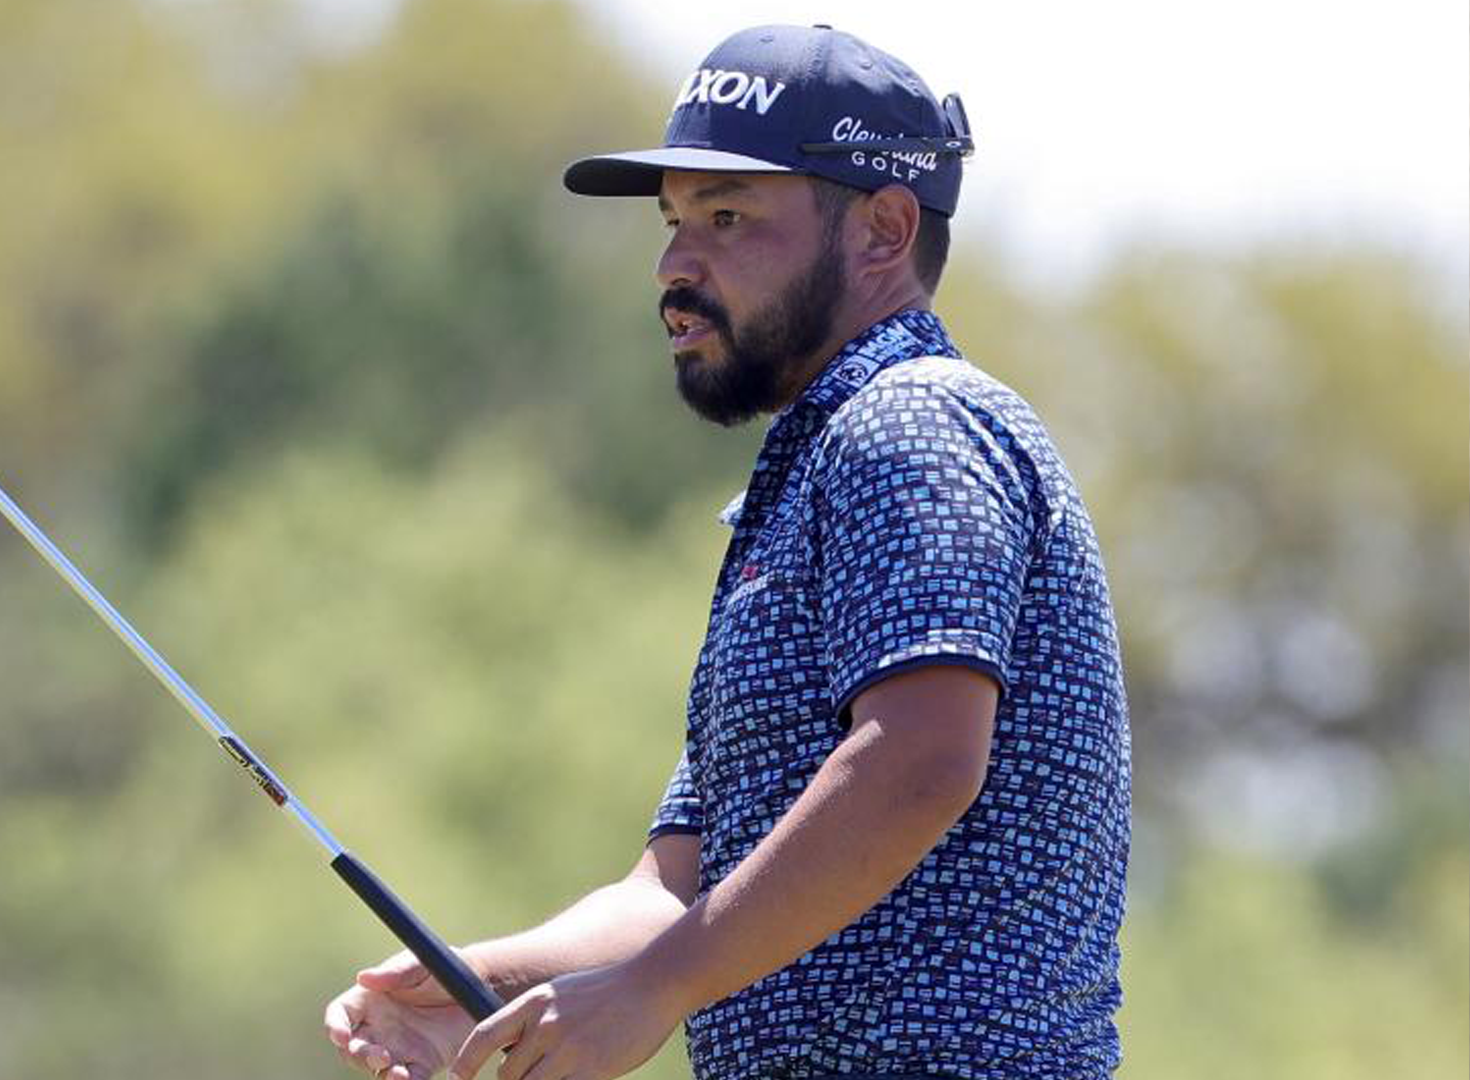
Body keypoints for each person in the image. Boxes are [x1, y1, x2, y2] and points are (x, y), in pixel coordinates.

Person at [324, 23, 1129, 1080]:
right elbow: (674, 889)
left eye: (729, 216)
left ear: (884, 230)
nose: (674, 265)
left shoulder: (916, 422)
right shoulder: (803, 482)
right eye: (673, 222)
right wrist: (493, 986)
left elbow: (919, 760)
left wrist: (655, 988)